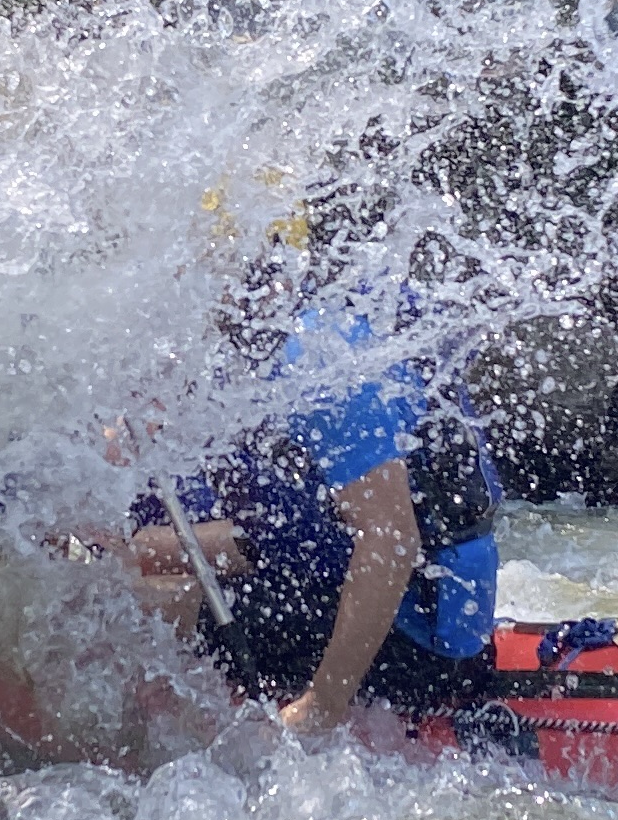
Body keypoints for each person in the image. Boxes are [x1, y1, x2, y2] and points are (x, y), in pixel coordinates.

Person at [121, 231, 504, 734]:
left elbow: (390, 541)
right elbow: (289, 536)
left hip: (421, 638)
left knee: (129, 605)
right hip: (406, 596)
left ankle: (118, 733)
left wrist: (320, 706)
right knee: (141, 556)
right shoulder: (288, 329)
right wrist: (137, 553)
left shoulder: (319, 358)